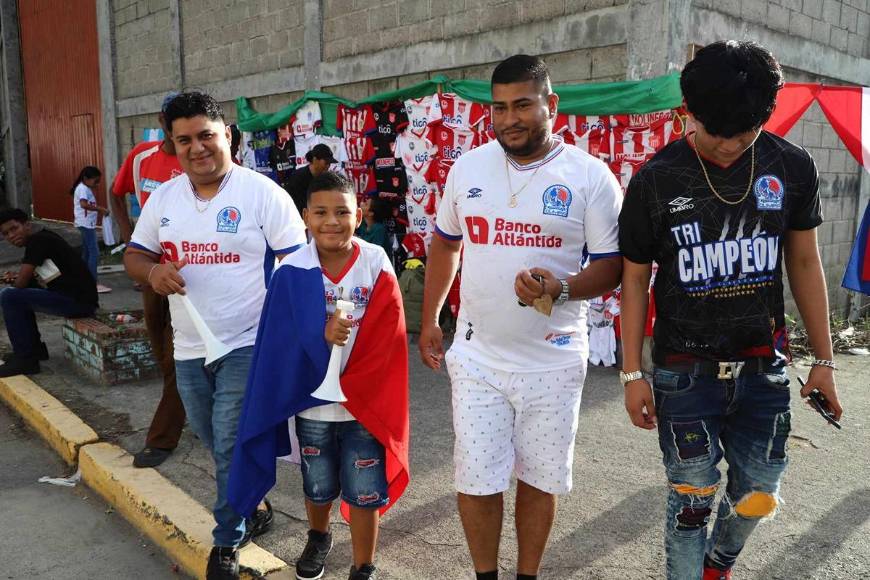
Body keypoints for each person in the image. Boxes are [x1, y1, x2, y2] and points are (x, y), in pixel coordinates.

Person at [618, 40, 843, 580]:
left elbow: (804, 263)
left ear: (766, 116)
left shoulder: (792, 166)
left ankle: (717, 565)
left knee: (759, 494)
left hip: (763, 369)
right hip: (684, 372)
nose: (725, 147)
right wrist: (631, 372)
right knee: (692, 500)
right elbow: (634, 278)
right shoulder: (655, 179)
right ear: (688, 111)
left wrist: (824, 360)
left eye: (742, 136)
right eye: (712, 132)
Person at [418, 54, 623, 580]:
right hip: (477, 358)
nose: (510, 119)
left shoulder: (589, 177)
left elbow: (612, 266)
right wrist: (431, 317)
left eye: (523, 105)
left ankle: (527, 575)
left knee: (540, 480)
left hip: (553, 361)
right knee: (476, 479)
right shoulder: (468, 168)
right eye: (500, 107)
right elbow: (446, 244)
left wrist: (562, 288)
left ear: (552, 105)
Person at [123, 91, 307, 580]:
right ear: (173, 145)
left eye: (206, 135)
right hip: (189, 347)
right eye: (184, 140)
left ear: (227, 135)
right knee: (211, 436)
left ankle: (227, 542)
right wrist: (153, 271)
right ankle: (253, 500)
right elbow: (135, 255)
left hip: (248, 342)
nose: (197, 147)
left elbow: (298, 264)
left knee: (228, 441)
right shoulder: (164, 198)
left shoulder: (263, 194)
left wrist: (293, 337)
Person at [229, 170, 410, 580]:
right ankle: (319, 536)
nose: (332, 221)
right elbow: (278, 342)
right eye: (321, 212)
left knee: (365, 488)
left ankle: (363, 564)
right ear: (305, 217)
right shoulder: (291, 269)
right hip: (313, 407)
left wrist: (357, 381)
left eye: (342, 212)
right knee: (318, 483)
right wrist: (320, 335)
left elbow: (391, 332)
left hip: (362, 406)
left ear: (358, 216)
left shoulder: (376, 262)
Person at [111, 92, 186, 470]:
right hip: (149, 272)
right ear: (162, 121)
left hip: (188, 276)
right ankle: (193, 406)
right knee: (161, 351)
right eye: (173, 122)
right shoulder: (141, 156)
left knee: (178, 358)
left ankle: (162, 437)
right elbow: (116, 193)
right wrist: (131, 241)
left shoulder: (198, 159)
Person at [0, 209, 98, 377]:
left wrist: (16, 281)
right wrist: (18, 280)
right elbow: (45, 277)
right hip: (76, 298)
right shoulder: (43, 238)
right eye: (6, 233)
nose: (11, 236)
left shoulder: (38, 241)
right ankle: (35, 350)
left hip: (78, 301)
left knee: (9, 296)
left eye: (14, 228)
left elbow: (21, 283)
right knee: (18, 296)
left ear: (27, 225)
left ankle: (26, 359)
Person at [71, 166, 111, 293]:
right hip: (86, 224)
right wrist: (100, 209)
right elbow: (83, 204)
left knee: (87, 252)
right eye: (96, 180)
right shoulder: (83, 189)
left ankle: (83, 278)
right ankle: (93, 283)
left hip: (85, 223)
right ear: (86, 179)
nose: (97, 184)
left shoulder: (84, 188)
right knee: (94, 252)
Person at [285, 143, 336, 216]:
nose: (328, 166)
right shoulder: (298, 178)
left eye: (329, 163)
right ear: (315, 160)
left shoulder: (325, 179)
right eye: (326, 162)